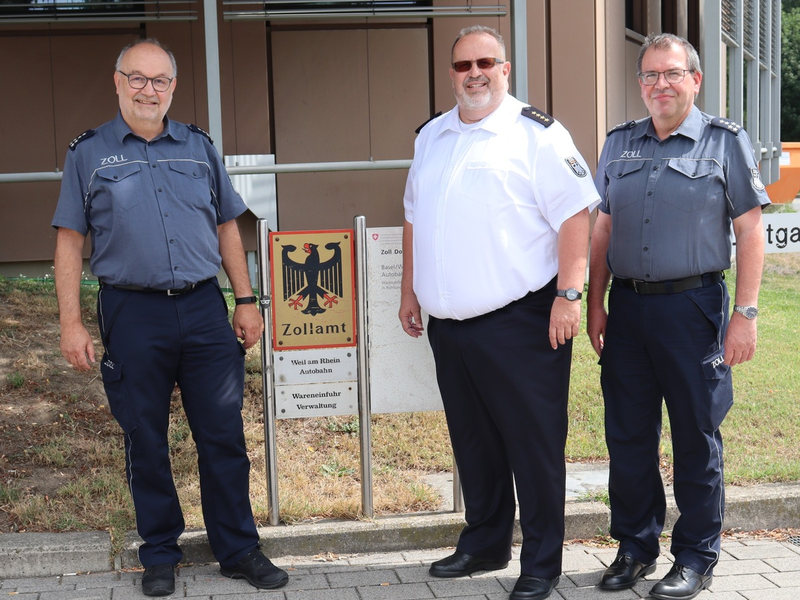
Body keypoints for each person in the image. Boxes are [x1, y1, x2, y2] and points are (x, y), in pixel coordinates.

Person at [52, 39, 288, 597]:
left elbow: (228, 225)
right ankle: (159, 552)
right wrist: (71, 322)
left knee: (223, 434)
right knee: (145, 437)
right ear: (117, 82)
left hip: (205, 308)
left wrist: (246, 299)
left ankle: (239, 548)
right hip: (133, 311)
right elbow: (69, 241)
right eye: (137, 78)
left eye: (159, 80)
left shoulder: (198, 147)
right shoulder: (89, 154)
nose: (148, 89)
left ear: (173, 87)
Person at [399, 25, 600, 600]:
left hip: (522, 321)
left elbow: (575, 217)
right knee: (474, 440)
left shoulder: (536, 134)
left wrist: (568, 295)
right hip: (450, 328)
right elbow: (414, 214)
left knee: (533, 445)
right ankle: (485, 541)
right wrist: (411, 291)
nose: (475, 74)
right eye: (463, 65)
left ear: (505, 69)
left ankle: (540, 563)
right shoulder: (433, 136)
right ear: (452, 72)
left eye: (486, 62)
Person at [587, 33, 769, 600]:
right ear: (639, 83)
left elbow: (749, 228)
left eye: (671, 74)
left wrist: (745, 313)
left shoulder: (723, 143)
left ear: (694, 79)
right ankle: (635, 548)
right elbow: (603, 229)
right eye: (649, 75)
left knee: (695, 433)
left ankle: (695, 556)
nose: (659, 84)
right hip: (629, 309)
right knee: (628, 434)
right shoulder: (619, 144)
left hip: (693, 308)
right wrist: (594, 301)